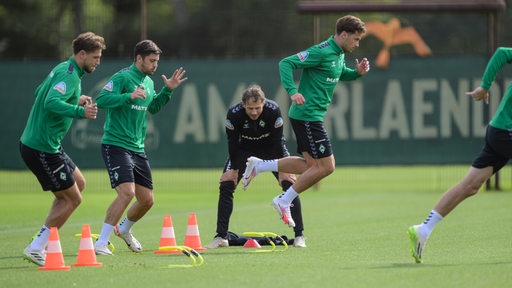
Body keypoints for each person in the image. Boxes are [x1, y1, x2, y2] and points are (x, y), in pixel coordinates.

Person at [242, 15, 370, 227]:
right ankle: (284, 200)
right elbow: (285, 63)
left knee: (311, 165)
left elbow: (337, 74)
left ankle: (260, 166)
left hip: (310, 116)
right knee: (327, 167)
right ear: (344, 34)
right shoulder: (321, 51)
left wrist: (355, 73)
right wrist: (292, 91)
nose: (357, 44)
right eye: (356, 39)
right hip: (308, 116)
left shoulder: (338, 54)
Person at [407, 47, 512, 264]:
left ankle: (423, 229)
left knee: (470, 186)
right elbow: (502, 52)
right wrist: (485, 86)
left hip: (499, 129)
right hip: (506, 130)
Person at [93, 40, 188, 255]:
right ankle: (101, 242)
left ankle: (124, 229)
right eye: (152, 61)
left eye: (157, 61)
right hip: (116, 144)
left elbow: (153, 108)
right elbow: (102, 98)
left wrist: (167, 91)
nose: (155, 65)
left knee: (147, 200)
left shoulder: (148, 82)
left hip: (137, 148)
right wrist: (128, 96)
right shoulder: (123, 77)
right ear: (138, 58)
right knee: (127, 193)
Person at [20, 32, 106, 266]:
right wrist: (80, 111)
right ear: (81, 54)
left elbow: (40, 92)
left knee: (78, 184)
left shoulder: (65, 70)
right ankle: (37, 247)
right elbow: (49, 101)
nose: (98, 62)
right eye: (95, 57)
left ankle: (42, 238)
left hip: (47, 145)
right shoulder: (69, 76)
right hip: (41, 147)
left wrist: (74, 98)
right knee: (73, 199)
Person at [205, 84, 307, 249]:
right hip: (243, 151)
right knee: (226, 185)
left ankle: (299, 236)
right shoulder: (234, 113)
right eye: (250, 108)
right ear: (243, 104)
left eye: (257, 108)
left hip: (271, 150)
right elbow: (232, 143)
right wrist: (234, 170)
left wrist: (283, 170)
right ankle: (221, 237)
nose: (254, 112)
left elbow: (278, 142)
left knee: (290, 185)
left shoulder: (273, 110)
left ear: (264, 103)